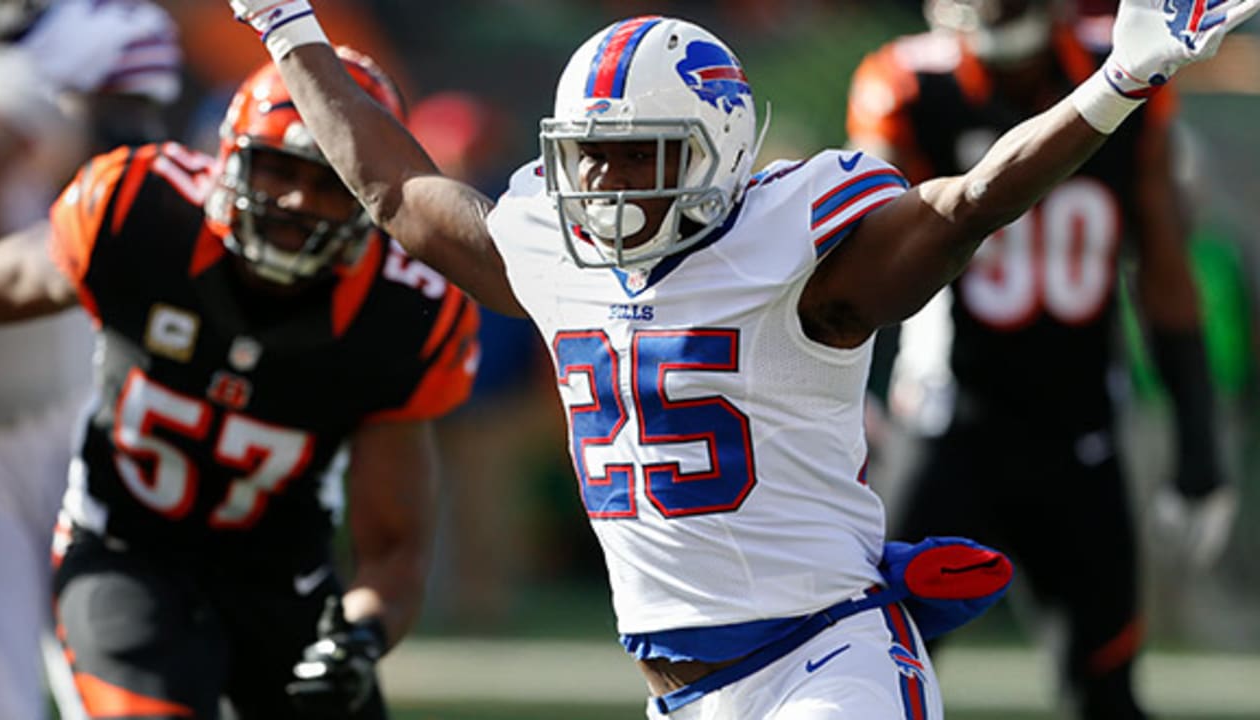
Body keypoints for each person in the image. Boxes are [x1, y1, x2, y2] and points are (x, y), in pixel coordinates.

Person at [225, 0, 1256, 716]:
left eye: (640, 156)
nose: (607, 183)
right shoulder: (548, 245)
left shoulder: (795, 249)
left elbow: (962, 206)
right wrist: (285, 24)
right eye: (589, 153)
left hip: (826, 667)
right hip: (681, 691)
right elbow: (396, 192)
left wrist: (1115, 83)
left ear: (716, 152)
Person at [0, 47, 479, 719]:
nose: (299, 201)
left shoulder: (399, 312)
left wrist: (359, 636)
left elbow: (393, 549)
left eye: (329, 179)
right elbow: (9, 280)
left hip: (284, 584)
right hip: (128, 554)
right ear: (228, 158)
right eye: (277, 167)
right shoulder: (140, 212)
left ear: (371, 191)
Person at [845, 1, 1239, 716]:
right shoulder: (907, 83)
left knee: (1106, 688)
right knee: (863, 673)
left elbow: (1162, 267)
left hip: (1077, 428)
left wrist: (1198, 437)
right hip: (945, 426)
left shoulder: (1123, 60)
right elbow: (864, 259)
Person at [0, 2, 181, 718]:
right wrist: (23, 89)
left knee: (117, 671)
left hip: (73, 408)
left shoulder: (73, 47)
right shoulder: (25, 77)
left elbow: (124, 199)